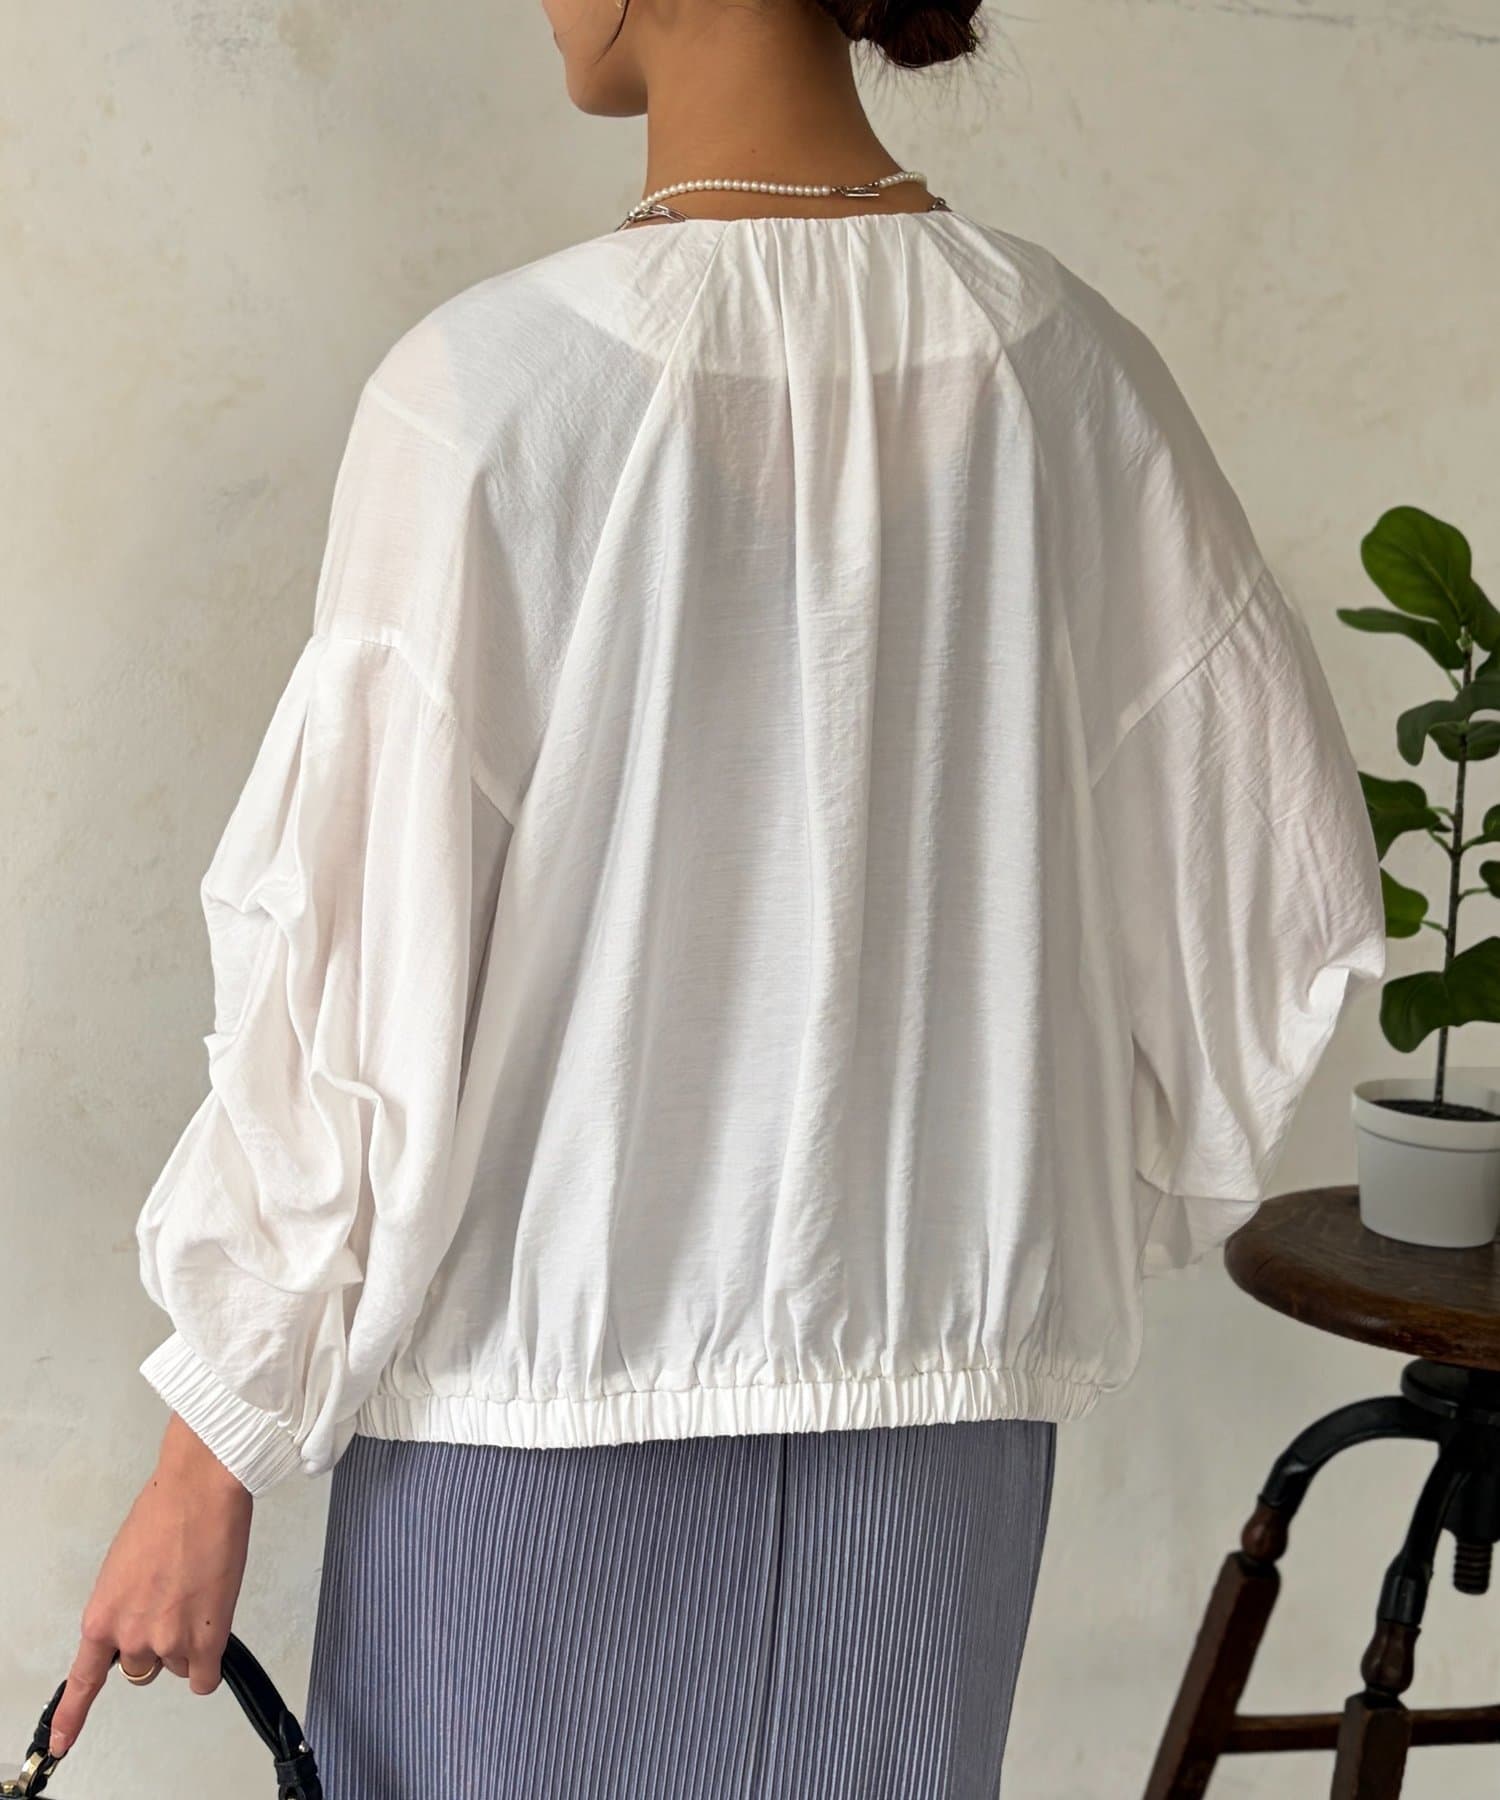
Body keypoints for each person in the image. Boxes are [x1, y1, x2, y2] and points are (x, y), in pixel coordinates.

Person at [49, 0, 1388, 1793]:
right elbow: (1279, 891)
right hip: (935, 1441)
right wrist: (1020, 1189)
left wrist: (205, 1449)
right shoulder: (1071, 374)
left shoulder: (487, 392)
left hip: (533, 1420)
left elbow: (350, 986)